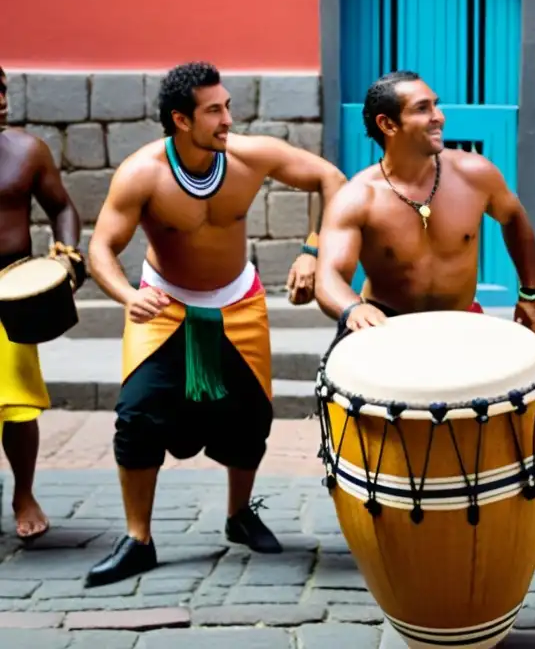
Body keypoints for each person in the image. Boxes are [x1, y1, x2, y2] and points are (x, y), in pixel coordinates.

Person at [85, 61, 346, 586]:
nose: (228, 118)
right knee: (137, 417)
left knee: (251, 419)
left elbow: (330, 179)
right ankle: (138, 539)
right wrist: (126, 296)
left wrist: (313, 252)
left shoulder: (250, 156)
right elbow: (101, 248)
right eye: (214, 110)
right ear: (181, 120)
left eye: (227, 106)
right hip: (164, 304)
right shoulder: (143, 172)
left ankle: (239, 514)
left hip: (238, 302)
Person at [314, 70, 535, 336]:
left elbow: (514, 217)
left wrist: (531, 292)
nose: (438, 117)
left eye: (436, 105)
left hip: (461, 322)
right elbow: (328, 277)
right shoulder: (358, 197)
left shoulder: (475, 174)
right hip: (387, 327)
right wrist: (352, 308)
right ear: (388, 125)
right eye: (422, 109)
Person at [0, 65, 86, 542]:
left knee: (15, 403)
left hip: (11, 288)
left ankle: (24, 492)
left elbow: (62, 207)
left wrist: (67, 254)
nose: (0, 99)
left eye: (2, 88)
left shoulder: (27, 151)